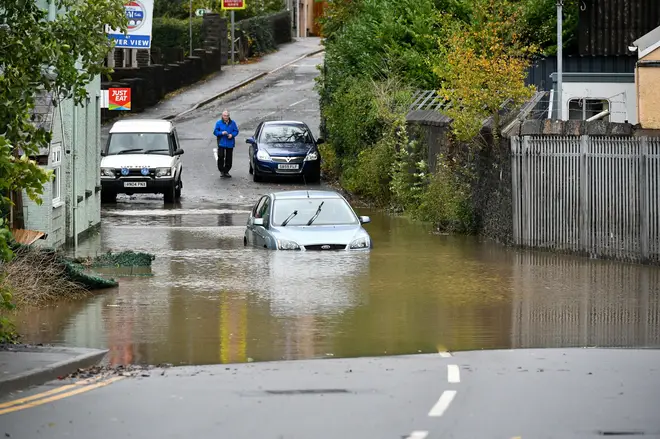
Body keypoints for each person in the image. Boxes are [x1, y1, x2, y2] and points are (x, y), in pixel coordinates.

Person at [213, 110, 239, 178]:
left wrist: (232, 135)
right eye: (224, 116)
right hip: (221, 143)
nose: (226, 117)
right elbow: (215, 132)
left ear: (229, 116)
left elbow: (236, 131)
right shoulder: (219, 123)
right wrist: (221, 133)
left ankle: (226, 171)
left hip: (230, 143)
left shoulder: (232, 123)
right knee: (221, 157)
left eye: (227, 116)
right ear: (222, 116)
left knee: (229, 158)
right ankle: (221, 171)